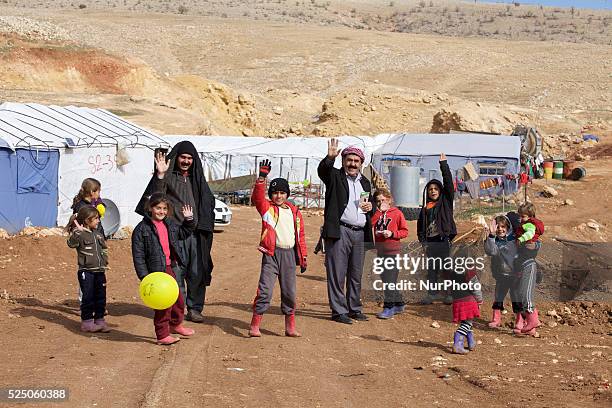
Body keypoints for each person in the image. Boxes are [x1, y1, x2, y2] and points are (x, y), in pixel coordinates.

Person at [136, 142, 215, 323]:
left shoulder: (197, 179)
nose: (186, 161)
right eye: (183, 157)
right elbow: (155, 199)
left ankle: (195, 308)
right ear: (176, 158)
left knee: (197, 272)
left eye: (189, 158)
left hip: (195, 235)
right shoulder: (167, 178)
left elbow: (208, 203)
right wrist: (161, 175)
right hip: (174, 235)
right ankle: (174, 310)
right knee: (176, 274)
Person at [248, 160, 307, 338]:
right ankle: (255, 325)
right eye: (275, 193)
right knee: (265, 290)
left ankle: (290, 326)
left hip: (289, 255)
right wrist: (262, 178)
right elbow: (257, 198)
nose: (278, 196)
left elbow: (301, 237)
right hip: (272, 255)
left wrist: (303, 257)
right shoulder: (267, 209)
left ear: (287, 194)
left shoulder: (295, 212)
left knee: (289, 292)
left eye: (282, 193)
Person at [318, 138, 373, 324]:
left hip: (360, 233)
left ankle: (354, 308)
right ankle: (338, 311)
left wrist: (370, 208)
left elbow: (367, 206)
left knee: (356, 273)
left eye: (356, 161)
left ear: (361, 164)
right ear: (343, 161)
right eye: (349, 160)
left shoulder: (365, 183)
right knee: (337, 273)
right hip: (339, 231)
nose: (352, 164)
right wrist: (329, 158)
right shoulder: (334, 176)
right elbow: (323, 171)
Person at [132, 193, 196, 345]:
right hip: (156, 272)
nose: (161, 211)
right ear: (150, 208)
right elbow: (138, 256)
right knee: (164, 304)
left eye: (164, 208)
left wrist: (189, 220)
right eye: (158, 208)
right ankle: (162, 334)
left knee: (179, 300)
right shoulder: (141, 230)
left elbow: (183, 233)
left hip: (172, 267)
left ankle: (175, 325)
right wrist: (145, 277)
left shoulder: (170, 224)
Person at [417, 153, 457, 305]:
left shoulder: (445, 202)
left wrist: (444, 165)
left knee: (446, 268)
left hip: (443, 240)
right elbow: (421, 225)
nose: (433, 191)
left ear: (440, 191)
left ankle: (449, 294)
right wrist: (423, 241)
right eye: (430, 189)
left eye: (435, 189)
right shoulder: (425, 207)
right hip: (431, 242)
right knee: (432, 269)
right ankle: (432, 294)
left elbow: (448, 183)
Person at [66, 206, 111, 333]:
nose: (98, 221)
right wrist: (76, 233)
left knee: (101, 297)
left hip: (100, 271)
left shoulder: (97, 234)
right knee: (88, 297)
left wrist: (105, 261)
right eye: (95, 218)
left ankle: (100, 320)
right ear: (86, 220)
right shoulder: (79, 233)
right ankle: (87, 322)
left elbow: (103, 249)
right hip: (87, 271)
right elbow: (71, 244)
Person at [371, 189, 409, 320]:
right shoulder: (378, 213)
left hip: (393, 252)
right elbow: (371, 223)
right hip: (380, 251)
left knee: (390, 281)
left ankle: (389, 307)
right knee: (385, 279)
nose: (381, 203)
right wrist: (379, 212)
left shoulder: (397, 213)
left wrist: (392, 234)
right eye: (378, 201)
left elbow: (404, 231)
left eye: (383, 200)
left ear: (389, 199)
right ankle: (399, 303)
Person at [484, 215, 521, 329]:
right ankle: (496, 319)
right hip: (501, 276)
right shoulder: (494, 241)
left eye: (503, 226)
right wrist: (491, 235)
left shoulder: (514, 240)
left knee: (516, 298)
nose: (500, 229)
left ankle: (520, 320)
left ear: (508, 227)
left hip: (515, 275)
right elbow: (491, 251)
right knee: (498, 297)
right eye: (498, 227)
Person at [514, 202, 544, 336]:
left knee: (526, 295)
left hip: (529, 265)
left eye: (524, 216)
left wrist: (521, 239)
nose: (521, 219)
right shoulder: (523, 225)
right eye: (520, 216)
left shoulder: (529, 225)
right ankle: (531, 326)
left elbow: (530, 234)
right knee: (521, 294)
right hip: (521, 264)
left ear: (531, 216)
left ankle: (533, 321)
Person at [450, 250, 483, 354]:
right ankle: (457, 343)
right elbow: (476, 288)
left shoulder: (452, 272)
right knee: (467, 323)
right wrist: (480, 300)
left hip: (457, 300)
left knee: (467, 322)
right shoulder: (469, 271)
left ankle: (471, 342)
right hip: (468, 301)